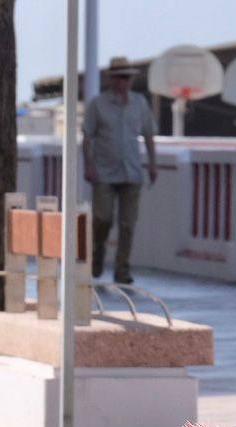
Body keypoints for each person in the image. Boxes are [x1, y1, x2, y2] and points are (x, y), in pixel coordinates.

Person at [82, 56, 157, 285]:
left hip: (131, 171)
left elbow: (148, 135)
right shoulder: (98, 104)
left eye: (128, 77)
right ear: (112, 79)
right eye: (121, 77)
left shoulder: (139, 103)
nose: (125, 82)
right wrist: (89, 166)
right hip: (104, 171)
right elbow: (87, 137)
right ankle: (97, 254)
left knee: (128, 223)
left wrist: (152, 163)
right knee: (102, 218)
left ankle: (122, 269)